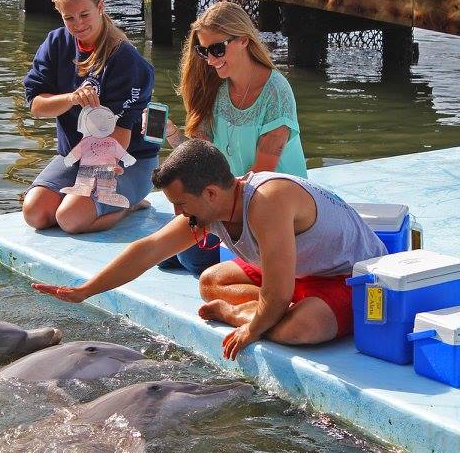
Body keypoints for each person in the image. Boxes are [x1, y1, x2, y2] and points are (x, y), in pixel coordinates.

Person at [33, 140, 388, 359]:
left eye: (181, 203)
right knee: (211, 281)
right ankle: (267, 310)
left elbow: (277, 295)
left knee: (302, 328)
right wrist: (86, 290)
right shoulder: (207, 210)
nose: (178, 213)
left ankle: (243, 313)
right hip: (297, 271)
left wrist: (248, 327)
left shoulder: (268, 202)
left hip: (349, 276)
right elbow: (149, 249)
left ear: (211, 194)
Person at [159, 0, 306, 275]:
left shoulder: (276, 93)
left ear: (243, 40)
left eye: (217, 49)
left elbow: (261, 177)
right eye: (204, 52)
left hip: (268, 207)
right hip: (230, 202)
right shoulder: (215, 88)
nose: (211, 60)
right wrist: (172, 135)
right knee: (171, 249)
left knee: (188, 257)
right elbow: (200, 159)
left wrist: (211, 212)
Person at [23, 0, 159, 234]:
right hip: (74, 156)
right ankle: (88, 201)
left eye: (84, 14)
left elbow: (121, 134)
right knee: (35, 213)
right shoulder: (56, 43)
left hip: (125, 162)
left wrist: (97, 178)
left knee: (70, 219)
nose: (78, 24)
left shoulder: (127, 60)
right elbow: (37, 107)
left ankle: (130, 204)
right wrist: (71, 98)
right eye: (69, 17)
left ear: (100, 6)